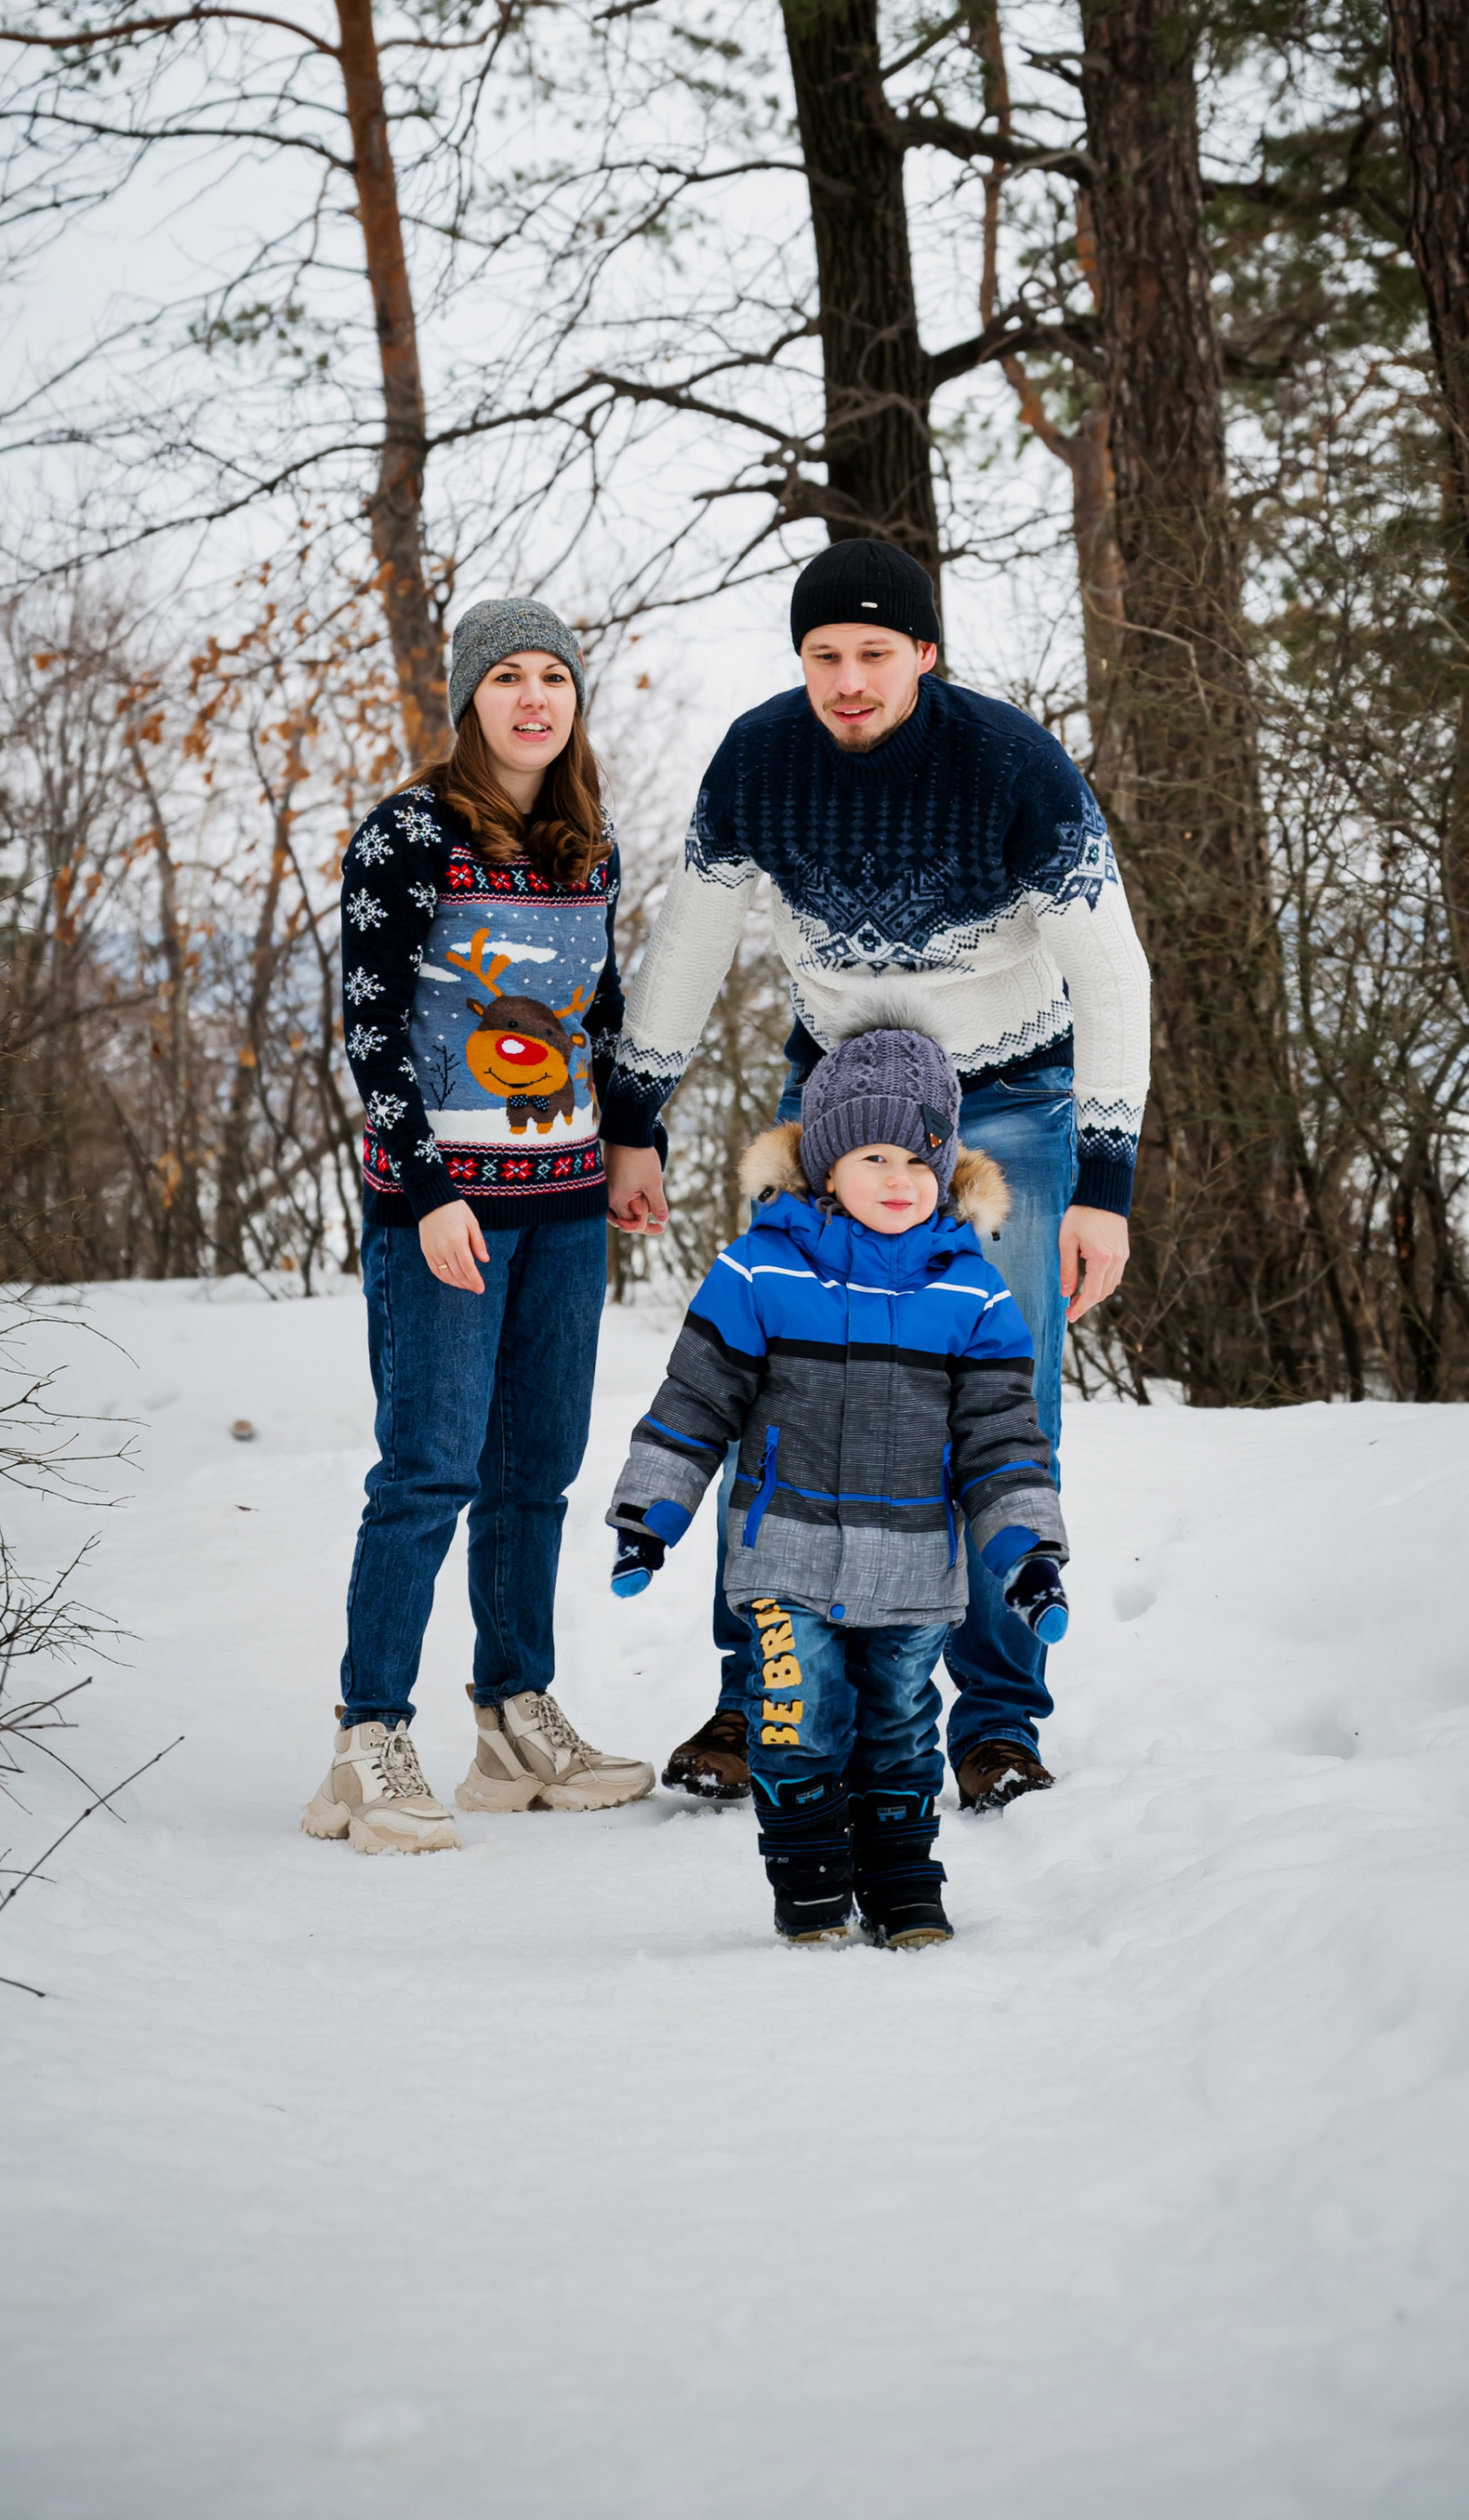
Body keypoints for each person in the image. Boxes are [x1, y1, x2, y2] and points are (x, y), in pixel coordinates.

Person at [600, 535, 1149, 1812]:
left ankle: (996, 1720)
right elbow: (689, 943)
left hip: (1005, 1107)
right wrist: (634, 1113)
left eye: (873, 653)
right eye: (824, 655)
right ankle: (756, 1702)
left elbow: (1115, 974)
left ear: (924, 653)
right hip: (834, 1101)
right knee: (774, 1389)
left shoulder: (1011, 766)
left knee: (999, 1405)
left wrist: (1107, 1189)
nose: (849, 679)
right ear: (802, 661)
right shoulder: (759, 759)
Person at [301, 599, 655, 1855]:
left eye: (552, 675)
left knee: (536, 1473)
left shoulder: (584, 845)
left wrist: (630, 1139)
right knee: (430, 1467)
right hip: (440, 1209)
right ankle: (368, 1737)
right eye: (506, 675)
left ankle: (512, 1714)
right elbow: (374, 1026)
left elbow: (598, 1009)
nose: (531, 696)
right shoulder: (407, 835)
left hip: (562, 1207)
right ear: (469, 700)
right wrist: (428, 1187)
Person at [604, 1014, 1070, 1945]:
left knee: (897, 1726)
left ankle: (904, 1886)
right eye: (875, 1154)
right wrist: (649, 1511)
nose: (901, 1179)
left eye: (921, 1158)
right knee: (797, 1712)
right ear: (823, 1162)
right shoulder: (758, 1269)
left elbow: (1003, 1436)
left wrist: (1026, 1549)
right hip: (787, 1554)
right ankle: (812, 1881)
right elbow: (696, 1398)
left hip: (911, 1572)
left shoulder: (969, 1289)